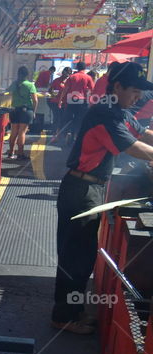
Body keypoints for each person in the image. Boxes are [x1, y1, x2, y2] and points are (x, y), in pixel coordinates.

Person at [52, 62, 153, 334]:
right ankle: (63, 316)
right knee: (75, 256)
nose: (139, 97)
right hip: (80, 190)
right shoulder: (104, 114)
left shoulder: (120, 112)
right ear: (117, 87)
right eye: (134, 91)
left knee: (83, 255)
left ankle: (74, 311)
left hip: (92, 188)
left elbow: (143, 135)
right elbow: (133, 147)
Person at [59, 62, 94, 146]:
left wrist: (60, 100)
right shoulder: (88, 77)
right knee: (80, 120)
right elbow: (93, 89)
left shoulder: (71, 77)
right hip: (82, 101)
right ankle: (75, 136)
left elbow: (65, 89)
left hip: (71, 100)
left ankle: (68, 133)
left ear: (77, 68)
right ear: (84, 68)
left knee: (69, 118)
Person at [6, 66, 37, 159]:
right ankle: (20, 153)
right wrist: (34, 111)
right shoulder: (30, 85)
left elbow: (7, 91)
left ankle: (11, 153)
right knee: (22, 132)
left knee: (13, 131)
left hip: (14, 110)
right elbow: (35, 100)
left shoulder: (14, 84)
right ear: (27, 75)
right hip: (26, 111)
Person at [48, 67, 72, 133]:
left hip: (65, 103)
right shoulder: (56, 80)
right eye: (65, 73)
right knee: (56, 118)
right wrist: (55, 94)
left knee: (63, 118)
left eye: (68, 74)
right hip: (55, 102)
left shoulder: (69, 81)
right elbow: (50, 90)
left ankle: (60, 132)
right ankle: (54, 131)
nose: (66, 75)